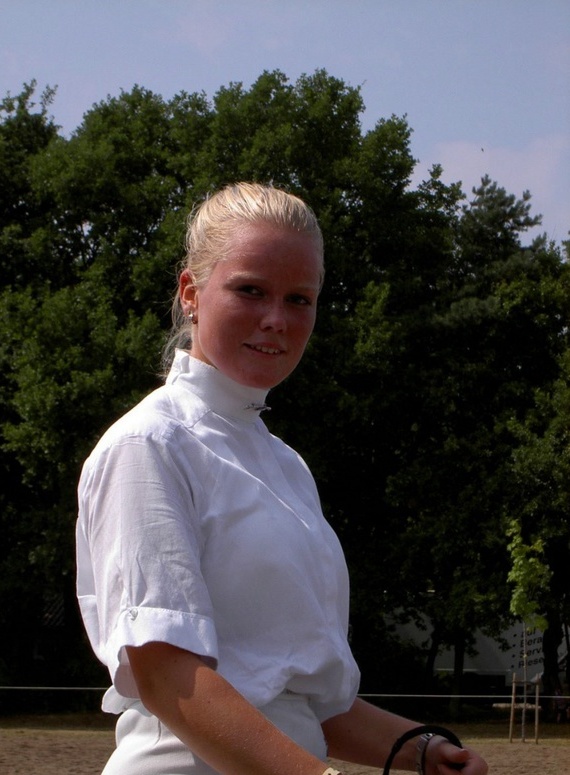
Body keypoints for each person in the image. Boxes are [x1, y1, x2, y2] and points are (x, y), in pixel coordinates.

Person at [76, 182, 488, 775]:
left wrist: (422, 751)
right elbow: (167, 675)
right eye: (250, 290)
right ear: (191, 293)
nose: (276, 320)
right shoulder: (149, 444)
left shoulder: (286, 465)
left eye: (299, 299)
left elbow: (293, 696)